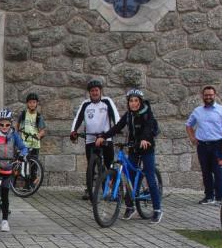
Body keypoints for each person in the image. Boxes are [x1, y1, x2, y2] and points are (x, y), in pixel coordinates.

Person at [95, 89, 163, 224]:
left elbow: (148, 128)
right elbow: (117, 127)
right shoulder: (129, 115)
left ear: (140, 102)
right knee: (130, 178)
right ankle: (130, 207)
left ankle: (157, 210)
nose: (133, 103)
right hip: (133, 148)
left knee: (150, 177)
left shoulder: (147, 114)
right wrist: (103, 136)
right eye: (131, 101)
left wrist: (144, 138)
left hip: (146, 148)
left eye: (136, 101)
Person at [70, 79, 119, 200]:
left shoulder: (107, 101)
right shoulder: (86, 104)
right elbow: (78, 118)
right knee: (90, 166)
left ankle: (113, 190)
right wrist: (73, 131)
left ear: (100, 91)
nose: (95, 92)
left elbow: (116, 116)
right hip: (90, 139)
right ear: (89, 93)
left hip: (105, 138)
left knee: (109, 164)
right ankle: (89, 189)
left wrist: (117, 127)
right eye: (92, 91)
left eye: (96, 90)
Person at [185, 85, 222, 205]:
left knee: (218, 172)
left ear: (215, 95)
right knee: (206, 172)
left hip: (218, 144)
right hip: (202, 145)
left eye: (210, 95)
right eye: (206, 95)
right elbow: (188, 125)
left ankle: (220, 198)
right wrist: (192, 138)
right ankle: (208, 196)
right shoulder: (197, 111)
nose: (208, 97)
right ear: (202, 96)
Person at [16, 92, 46, 188]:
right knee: (22, 163)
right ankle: (18, 182)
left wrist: (38, 135)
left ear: (36, 103)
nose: (32, 104)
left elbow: (43, 131)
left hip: (34, 144)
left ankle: (30, 184)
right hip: (24, 143)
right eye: (30, 102)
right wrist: (17, 135)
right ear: (27, 103)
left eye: (34, 102)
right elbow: (17, 124)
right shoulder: (24, 114)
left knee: (33, 166)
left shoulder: (39, 116)